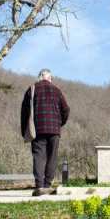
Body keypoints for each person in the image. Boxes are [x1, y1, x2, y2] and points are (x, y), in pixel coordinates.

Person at [21, 68, 70, 196]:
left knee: (38, 156)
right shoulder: (57, 90)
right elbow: (66, 110)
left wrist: (24, 130)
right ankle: (48, 185)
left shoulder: (32, 89)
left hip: (37, 129)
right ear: (49, 78)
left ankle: (39, 186)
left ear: (40, 77)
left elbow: (24, 112)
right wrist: (60, 123)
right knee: (52, 157)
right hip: (54, 130)